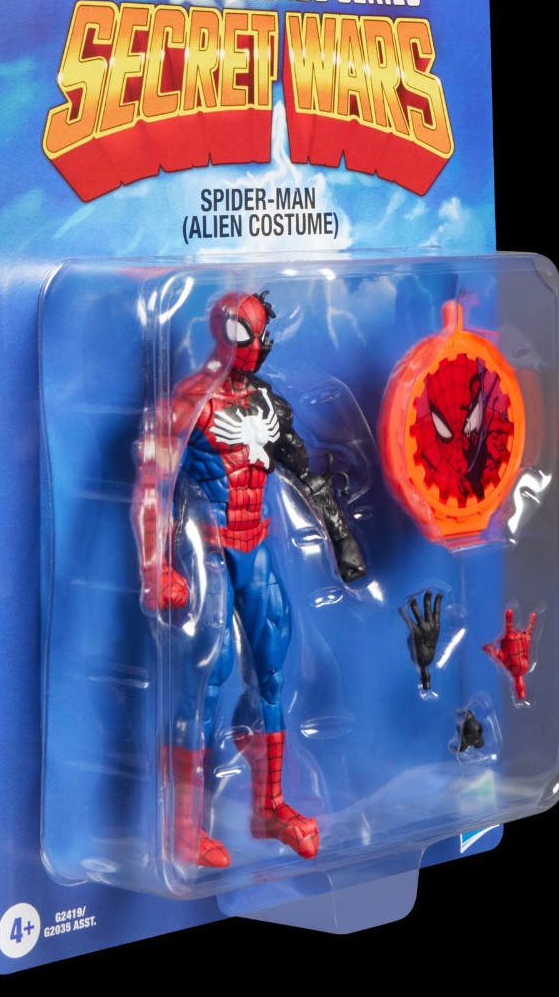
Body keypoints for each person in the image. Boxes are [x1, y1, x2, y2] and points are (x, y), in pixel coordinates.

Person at [136, 290, 366, 867]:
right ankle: (183, 828)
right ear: (222, 331)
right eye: (243, 332)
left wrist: (341, 538)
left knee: (271, 673)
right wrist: (157, 568)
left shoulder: (268, 405)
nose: (252, 345)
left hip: (256, 543)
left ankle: (269, 807)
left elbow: (308, 476)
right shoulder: (187, 403)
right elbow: (151, 487)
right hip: (207, 548)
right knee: (205, 677)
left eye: (257, 335)